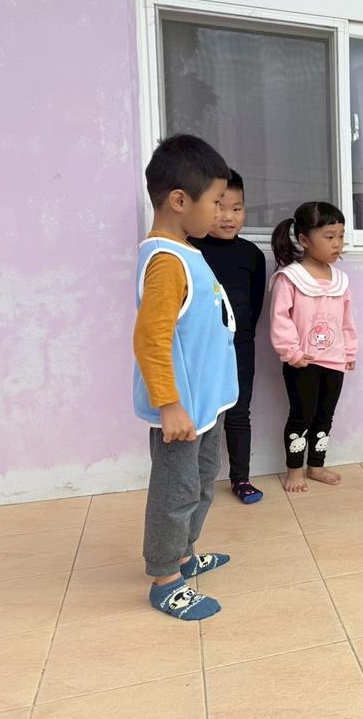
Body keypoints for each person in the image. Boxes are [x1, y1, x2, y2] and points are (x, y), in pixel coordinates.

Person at [132, 134, 237, 620]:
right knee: (175, 493)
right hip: (182, 410)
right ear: (179, 200)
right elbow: (150, 340)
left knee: (200, 484)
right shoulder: (166, 261)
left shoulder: (187, 251)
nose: (221, 212)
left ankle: (183, 555)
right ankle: (164, 578)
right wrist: (169, 404)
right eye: (215, 201)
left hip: (206, 403)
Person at [269, 201, 358, 493]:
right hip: (303, 362)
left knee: (325, 417)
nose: (337, 244)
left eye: (341, 236)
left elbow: (346, 320)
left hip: (334, 362)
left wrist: (349, 351)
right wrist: (291, 353)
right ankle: (295, 470)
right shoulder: (290, 278)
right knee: (301, 416)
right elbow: (280, 319)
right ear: (304, 240)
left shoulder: (340, 280)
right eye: (329, 237)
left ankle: (316, 466)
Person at [190, 169, 267, 504]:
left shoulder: (252, 255)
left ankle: (241, 478)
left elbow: (255, 304)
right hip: (201, 348)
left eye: (237, 208)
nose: (228, 217)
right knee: (201, 412)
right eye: (219, 207)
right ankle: (193, 479)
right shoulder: (191, 250)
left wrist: (241, 339)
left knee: (239, 411)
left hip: (240, 346)